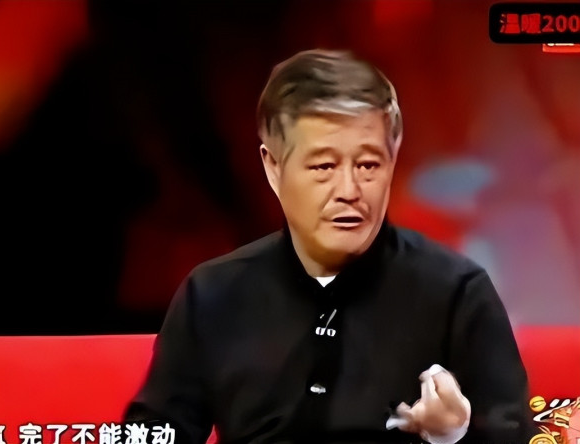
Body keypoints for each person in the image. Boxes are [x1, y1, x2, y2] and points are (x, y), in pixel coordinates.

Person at [123, 49, 534, 444]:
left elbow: (514, 435)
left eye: (368, 165)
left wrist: (454, 437)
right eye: (324, 166)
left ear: (393, 161)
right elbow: (156, 430)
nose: (349, 190)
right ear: (273, 167)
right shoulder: (213, 293)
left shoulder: (457, 293)